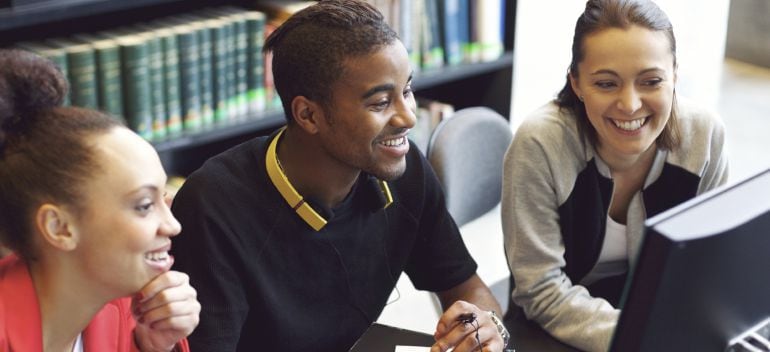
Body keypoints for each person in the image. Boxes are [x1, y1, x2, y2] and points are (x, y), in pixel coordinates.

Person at [169, 1, 509, 351]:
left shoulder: (403, 172)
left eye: (406, 90)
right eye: (380, 103)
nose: (408, 117)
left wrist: (484, 326)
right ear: (309, 115)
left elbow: (467, 287)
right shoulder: (213, 207)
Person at [501, 0, 729, 351]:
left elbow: (712, 268)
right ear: (576, 83)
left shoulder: (704, 136)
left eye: (651, 81)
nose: (630, 105)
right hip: (554, 333)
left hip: (663, 328)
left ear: (675, 76)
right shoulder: (540, 144)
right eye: (607, 84)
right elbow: (540, 291)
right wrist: (645, 336)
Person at [0, 49, 200, 351]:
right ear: (60, 228)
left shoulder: (123, 307)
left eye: (164, 199)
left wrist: (154, 346)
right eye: (144, 206)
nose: (172, 226)